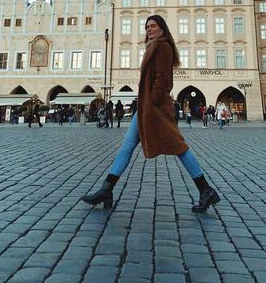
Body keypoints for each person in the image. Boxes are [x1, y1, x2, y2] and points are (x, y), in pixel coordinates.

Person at [82, 14, 220, 213]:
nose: (149, 29)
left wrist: (153, 100)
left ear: (162, 28)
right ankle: (107, 189)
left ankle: (205, 189)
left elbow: (163, 79)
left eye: (153, 26)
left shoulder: (162, 47)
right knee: (127, 146)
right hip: (147, 107)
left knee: (179, 147)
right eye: (147, 26)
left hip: (155, 108)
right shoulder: (153, 47)